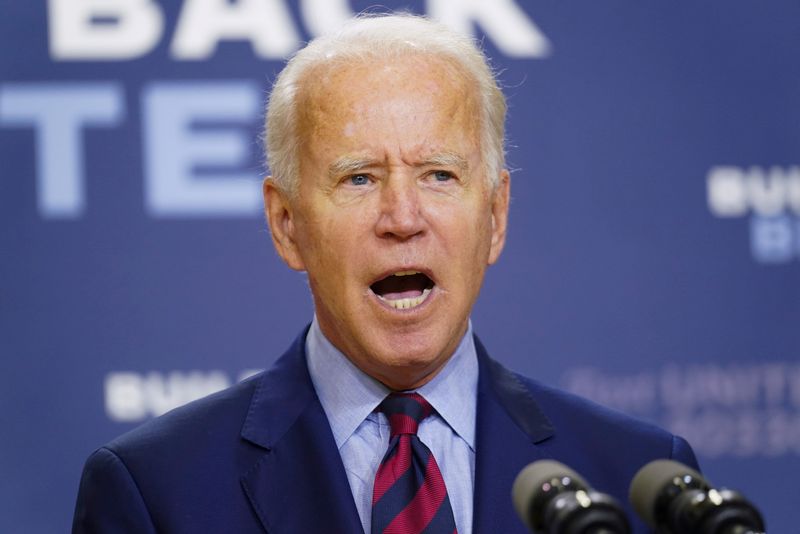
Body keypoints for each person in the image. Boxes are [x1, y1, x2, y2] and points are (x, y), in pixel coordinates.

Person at [72, 13, 697, 534]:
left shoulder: (639, 480)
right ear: (287, 224)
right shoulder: (156, 492)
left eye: (439, 175)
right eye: (359, 178)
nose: (403, 218)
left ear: (496, 215)